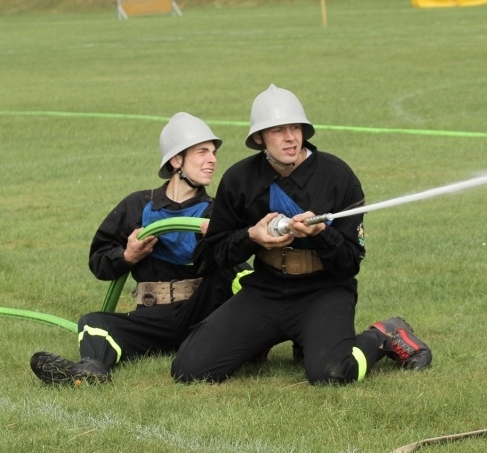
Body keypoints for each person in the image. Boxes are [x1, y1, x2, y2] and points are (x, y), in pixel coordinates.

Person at [171, 84, 432, 385]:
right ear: (259, 138)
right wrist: (252, 236)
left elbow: (350, 263)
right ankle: (267, 339)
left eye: (295, 128)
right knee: (189, 370)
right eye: (278, 130)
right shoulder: (239, 179)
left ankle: (384, 334)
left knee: (332, 373)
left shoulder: (337, 176)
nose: (291, 138)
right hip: (266, 289)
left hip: (324, 290)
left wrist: (321, 234)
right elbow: (212, 255)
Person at [30, 112, 247, 385]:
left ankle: (259, 339)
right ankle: (90, 371)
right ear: (176, 160)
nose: (212, 159)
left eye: (213, 152)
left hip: (201, 312)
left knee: (236, 271)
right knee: (94, 322)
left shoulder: (216, 211)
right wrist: (127, 256)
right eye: (202, 152)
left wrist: (214, 236)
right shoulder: (137, 205)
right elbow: (98, 261)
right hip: (152, 315)